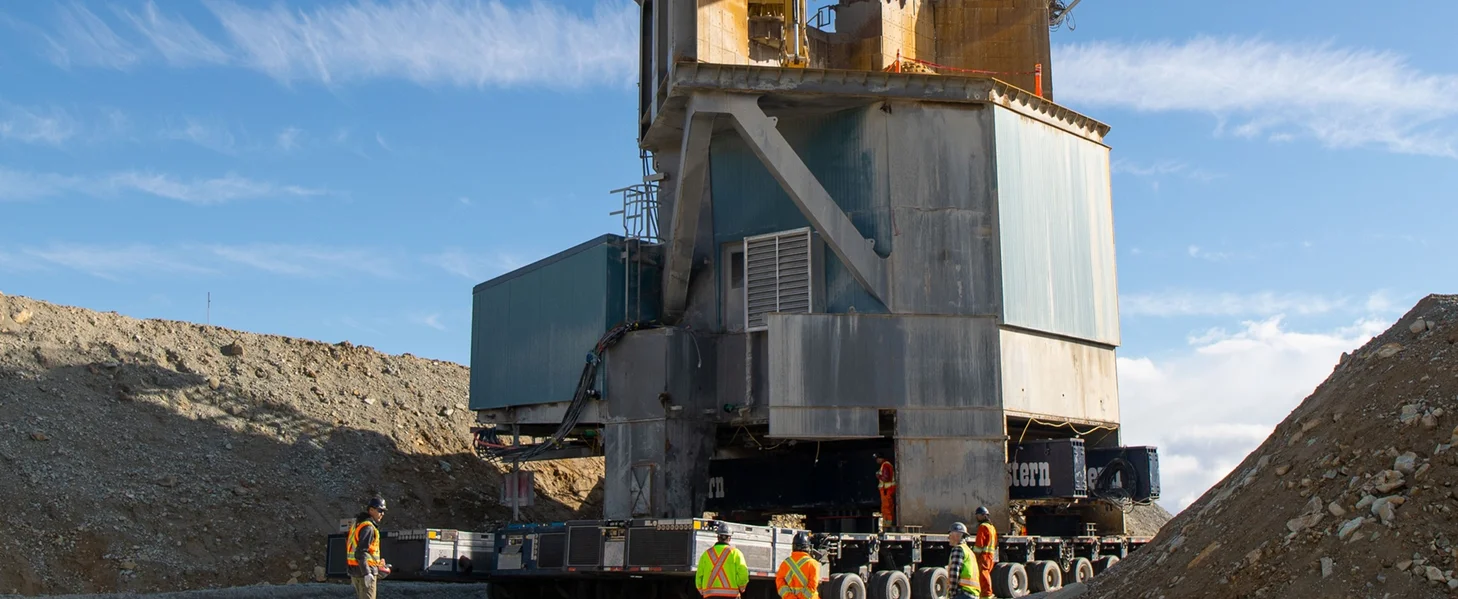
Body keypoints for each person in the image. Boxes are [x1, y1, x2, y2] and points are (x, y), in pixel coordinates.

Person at [347, 497, 388, 599]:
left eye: (383, 511)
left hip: (356, 571)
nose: (382, 513)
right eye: (380, 510)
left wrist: (378, 565)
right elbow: (361, 552)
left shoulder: (357, 525)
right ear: (371, 510)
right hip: (364, 572)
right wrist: (367, 573)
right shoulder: (368, 527)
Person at [695, 523, 749, 598]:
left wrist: (700, 588)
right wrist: (742, 585)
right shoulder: (736, 553)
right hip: (731, 596)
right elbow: (743, 573)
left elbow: (699, 575)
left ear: (718, 537)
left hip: (710, 595)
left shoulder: (706, 554)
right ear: (729, 538)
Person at [774, 532, 822, 599]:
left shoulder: (785, 563)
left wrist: (791, 597)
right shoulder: (813, 563)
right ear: (808, 547)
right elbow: (812, 585)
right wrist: (801, 597)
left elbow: (780, 583)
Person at [946, 522, 982, 599]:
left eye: (950, 535)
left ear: (957, 535)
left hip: (963, 594)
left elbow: (954, 573)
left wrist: (951, 594)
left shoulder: (958, 549)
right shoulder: (968, 551)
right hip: (973, 594)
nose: (948, 538)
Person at [972, 507, 997, 598]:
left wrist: (974, 556)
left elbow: (979, 544)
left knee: (983, 575)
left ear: (983, 515)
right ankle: (985, 594)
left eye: (978, 515)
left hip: (984, 556)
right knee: (986, 574)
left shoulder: (983, 527)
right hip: (990, 556)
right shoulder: (992, 527)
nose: (977, 517)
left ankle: (987, 594)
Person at [873, 453, 896, 527]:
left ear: (881, 458)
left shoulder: (885, 465)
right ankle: (890, 523)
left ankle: (887, 525)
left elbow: (886, 478)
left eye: (877, 459)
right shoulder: (887, 465)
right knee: (889, 507)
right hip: (888, 489)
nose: (876, 461)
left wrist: (878, 476)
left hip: (886, 490)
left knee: (886, 508)